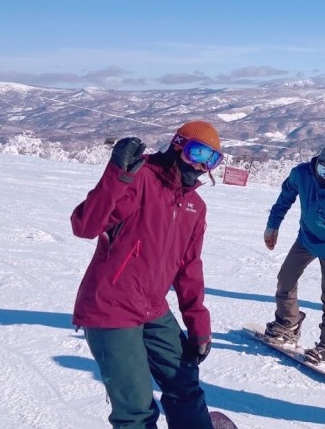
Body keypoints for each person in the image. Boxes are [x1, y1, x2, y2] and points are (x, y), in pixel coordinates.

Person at [70, 121, 224, 429]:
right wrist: (116, 174)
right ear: (178, 145)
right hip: (109, 308)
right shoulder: (140, 178)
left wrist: (199, 326)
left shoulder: (195, 205)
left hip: (152, 307)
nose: (202, 166)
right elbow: (85, 226)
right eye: (197, 153)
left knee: (184, 383)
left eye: (212, 160)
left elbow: (189, 267)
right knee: (136, 410)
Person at [263, 138, 325, 364]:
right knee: (285, 278)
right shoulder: (301, 174)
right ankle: (288, 322)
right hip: (306, 239)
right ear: (316, 162)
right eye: (323, 169)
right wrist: (273, 226)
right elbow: (284, 198)